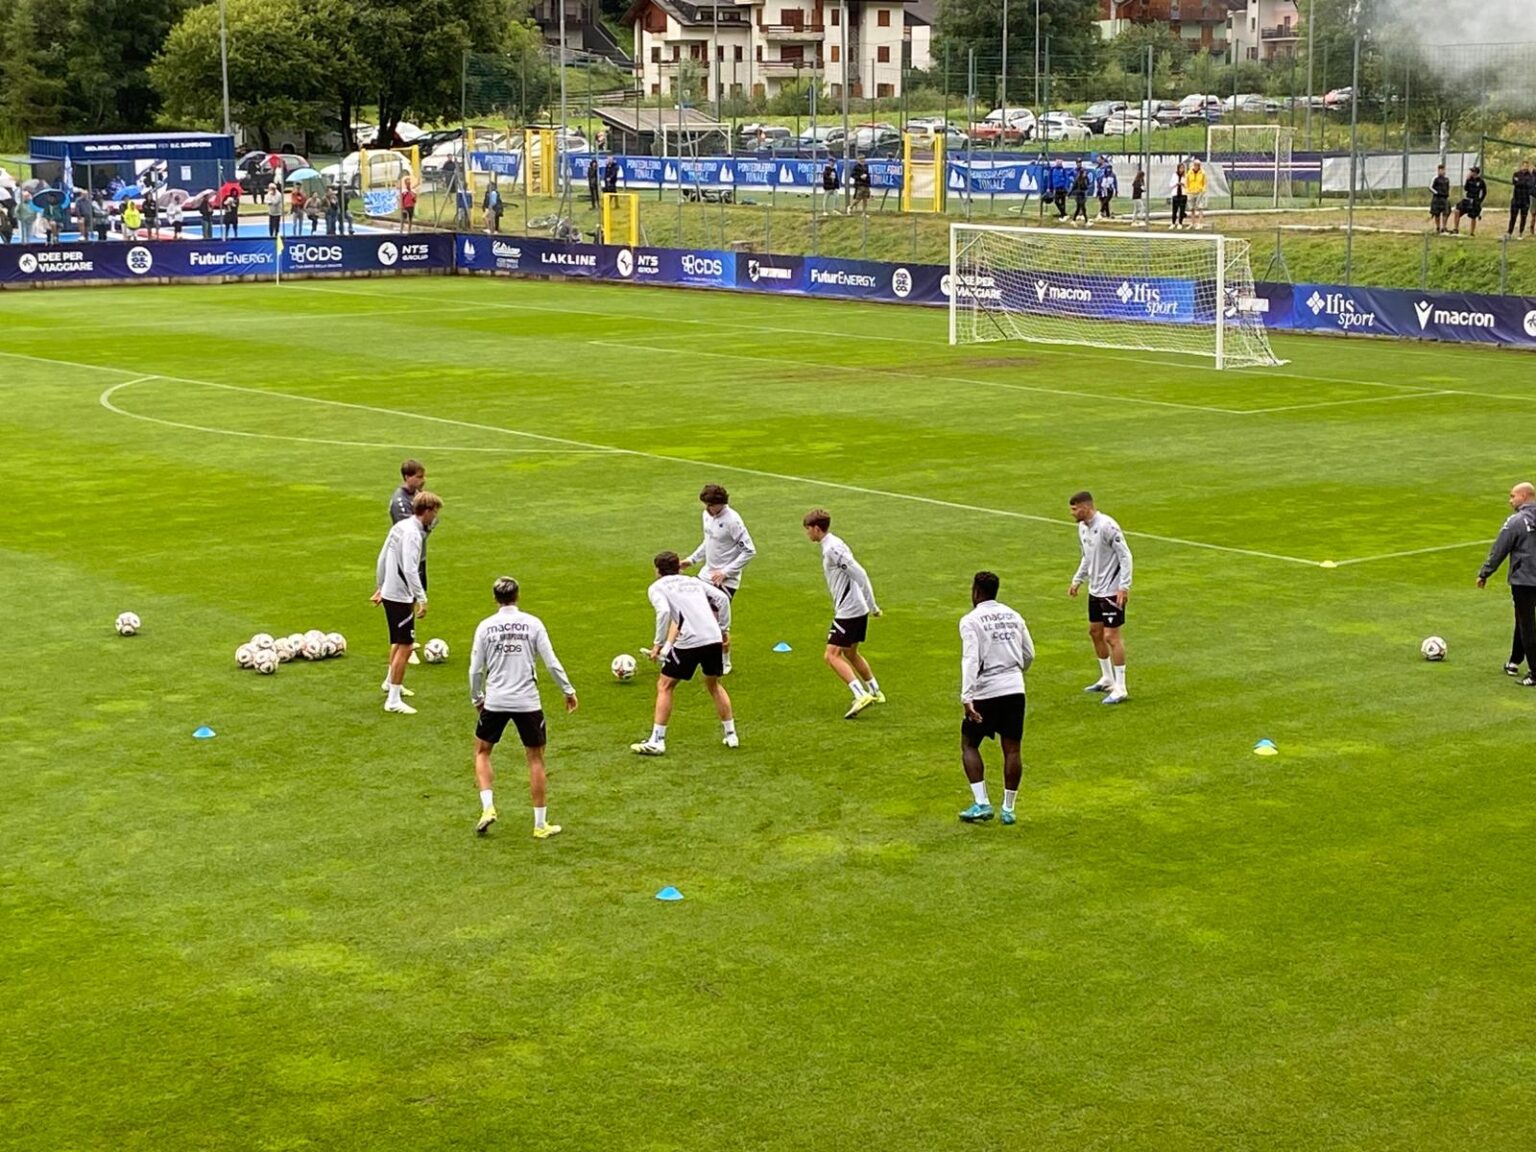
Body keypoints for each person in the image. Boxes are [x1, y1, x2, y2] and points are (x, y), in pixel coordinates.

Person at [468, 576, 578, 840]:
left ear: (495, 598)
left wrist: (477, 698)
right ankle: (540, 824)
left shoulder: (485, 627)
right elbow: (551, 662)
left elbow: (476, 668)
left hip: (495, 700)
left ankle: (488, 807)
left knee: (482, 752)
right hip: (527, 701)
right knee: (536, 758)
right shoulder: (532, 624)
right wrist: (568, 690)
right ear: (518, 596)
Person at [630, 551, 737, 756]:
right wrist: (723, 630)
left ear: (657, 570)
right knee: (714, 685)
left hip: (690, 640)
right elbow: (722, 599)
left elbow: (663, 612)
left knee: (665, 685)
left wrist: (657, 644)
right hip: (712, 637)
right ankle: (731, 734)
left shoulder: (657, 587)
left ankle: (657, 740)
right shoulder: (694, 582)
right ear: (678, 567)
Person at [957, 571, 1034, 826]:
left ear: (976, 592)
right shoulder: (1014, 615)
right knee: (1012, 748)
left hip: (986, 690)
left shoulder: (971, 620)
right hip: (1014, 688)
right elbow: (1029, 653)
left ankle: (982, 802)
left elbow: (970, 659)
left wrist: (967, 697)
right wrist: (1014, 673)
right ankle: (1008, 808)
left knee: (969, 743)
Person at [802, 508, 883, 719]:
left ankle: (860, 694)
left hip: (849, 610)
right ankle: (875, 691)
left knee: (831, 655)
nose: (807, 533)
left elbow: (860, 574)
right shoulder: (832, 544)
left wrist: (873, 605)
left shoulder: (833, 550)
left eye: (808, 529)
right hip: (856, 608)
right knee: (850, 653)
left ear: (817, 529)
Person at [372, 490, 441, 715]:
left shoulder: (399, 527)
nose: (436, 516)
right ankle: (393, 699)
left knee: (398, 641)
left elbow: (382, 558)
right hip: (401, 596)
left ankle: (390, 682)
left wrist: (381, 586)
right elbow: (411, 569)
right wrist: (421, 598)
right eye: (435, 511)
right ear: (427, 511)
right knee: (406, 645)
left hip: (391, 592)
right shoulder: (412, 534)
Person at [682, 483, 756, 674]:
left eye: (710, 505)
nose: (707, 508)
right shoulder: (707, 515)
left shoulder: (733, 521)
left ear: (720, 503)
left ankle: (725, 660)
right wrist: (691, 560)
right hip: (706, 574)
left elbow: (749, 550)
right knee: (691, 611)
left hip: (725, 580)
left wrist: (726, 572)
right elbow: (708, 541)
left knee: (714, 622)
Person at [1068, 490, 1133, 705]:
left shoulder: (1107, 526)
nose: (1072, 513)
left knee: (1111, 637)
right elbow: (1087, 557)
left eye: (1075, 509)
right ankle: (1107, 678)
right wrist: (1078, 580)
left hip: (1112, 591)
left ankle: (1121, 687)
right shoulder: (1082, 528)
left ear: (1086, 507)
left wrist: (1124, 586)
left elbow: (1125, 555)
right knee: (1095, 632)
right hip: (1095, 589)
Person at [1477, 482, 1536, 686]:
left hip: (1524, 580)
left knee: (1527, 624)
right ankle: (1514, 660)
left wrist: (1485, 573)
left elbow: (1499, 549)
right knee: (1522, 620)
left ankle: (1535, 672)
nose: (1510, 500)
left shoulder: (1516, 522)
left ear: (1524, 496)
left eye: (1513, 496)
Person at [390, 459, 431, 665]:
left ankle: (408, 641)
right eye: (419, 477)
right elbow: (411, 530)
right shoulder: (400, 501)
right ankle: (405, 643)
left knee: (413, 599)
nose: (423, 481)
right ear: (407, 477)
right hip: (406, 560)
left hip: (419, 557)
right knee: (406, 601)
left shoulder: (418, 497)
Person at [1453, 165, 1486, 236]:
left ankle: (1472, 232)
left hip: (1475, 200)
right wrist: (1467, 180)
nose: (1471, 173)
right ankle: (1456, 229)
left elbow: (1484, 192)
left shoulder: (1481, 181)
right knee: (1457, 210)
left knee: (1473, 216)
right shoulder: (1469, 179)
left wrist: (1480, 200)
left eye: (1472, 171)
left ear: (1476, 173)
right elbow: (1466, 189)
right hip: (1467, 199)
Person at [1509, 160, 1532, 241]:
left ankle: (1520, 233)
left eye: (1527, 165)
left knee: (1523, 217)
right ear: (1521, 166)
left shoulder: (1530, 176)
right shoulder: (1516, 174)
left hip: (1525, 200)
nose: (1525, 167)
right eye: (1524, 165)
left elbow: (1529, 185)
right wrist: (1522, 182)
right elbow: (1515, 182)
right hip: (1516, 199)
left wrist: (1520, 182)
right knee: (1513, 217)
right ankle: (1509, 233)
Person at [1429, 164, 1451, 234]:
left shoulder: (1447, 180)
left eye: (1443, 170)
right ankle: (1438, 227)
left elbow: (1447, 188)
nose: (1442, 171)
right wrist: (1437, 193)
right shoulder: (1435, 179)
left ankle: (1444, 227)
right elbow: (1430, 188)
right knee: (1437, 214)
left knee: (1445, 213)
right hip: (1437, 198)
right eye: (1440, 170)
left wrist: (1447, 194)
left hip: (1444, 198)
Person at [1188, 158, 1208, 229]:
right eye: (1195, 164)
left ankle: (1200, 223)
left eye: (1198, 165)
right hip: (1191, 192)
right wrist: (1188, 190)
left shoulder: (1203, 173)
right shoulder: (1189, 172)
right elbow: (1187, 182)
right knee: (1191, 208)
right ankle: (1192, 223)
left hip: (1200, 192)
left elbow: (1205, 183)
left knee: (1200, 208)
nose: (1196, 166)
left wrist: (1203, 190)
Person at [1169, 162, 1189, 230]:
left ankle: (1180, 223)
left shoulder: (1186, 176)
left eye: (1183, 168)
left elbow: (1188, 185)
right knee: (1174, 210)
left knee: (1182, 210)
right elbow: (1170, 185)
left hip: (1183, 194)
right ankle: (1173, 223)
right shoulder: (1174, 175)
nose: (1181, 169)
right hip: (1175, 194)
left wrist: (1183, 184)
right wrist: (1176, 184)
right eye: (1180, 168)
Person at [1070, 160, 1090, 226]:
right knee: (1082, 208)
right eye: (1084, 173)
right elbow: (1074, 186)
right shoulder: (1078, 179)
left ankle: (1074, 220)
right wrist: (1070, 193)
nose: (1085, 174)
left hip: (1083, 195)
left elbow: (1087, 186)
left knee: (1080, 208)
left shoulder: (1085, 179)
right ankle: (1086, 221)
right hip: (1079, 195)